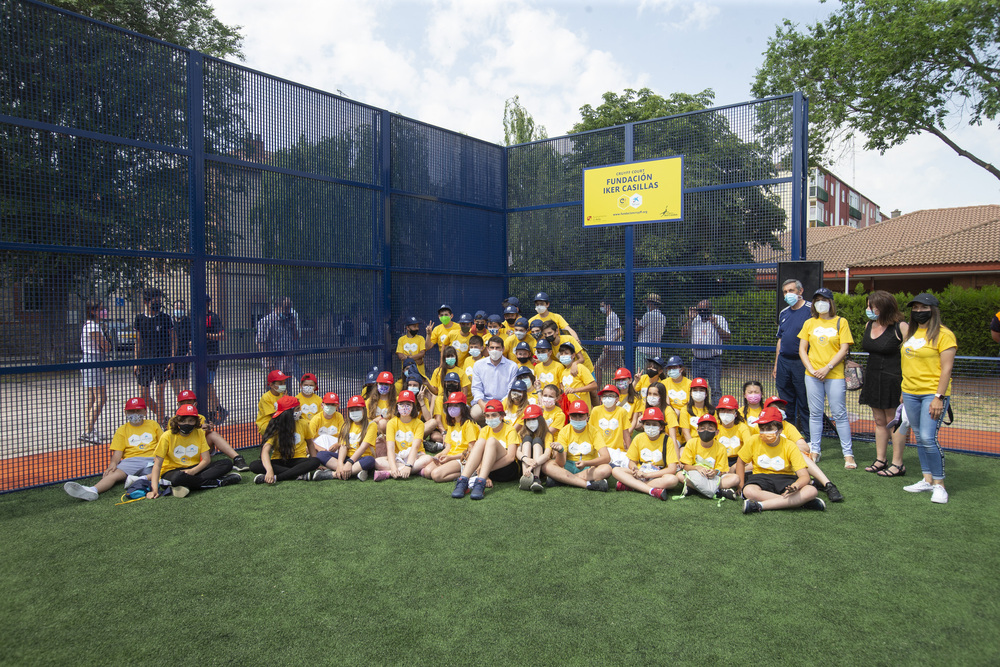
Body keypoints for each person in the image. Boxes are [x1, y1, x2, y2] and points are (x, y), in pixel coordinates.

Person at [900, 293, 957, 504]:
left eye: (922, 307)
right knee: (918, 436)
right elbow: (907, 365)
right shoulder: (911, 333)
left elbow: (947, 369)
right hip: (910, 392)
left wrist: (938, 397)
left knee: (928, 438)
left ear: (933, 309)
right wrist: (903, 392)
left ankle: (939, 485)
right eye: (914, 308)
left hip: (932, 394)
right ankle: (927, 479)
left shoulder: (944, 335)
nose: (918, 311)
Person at [797, 287, 855, 468]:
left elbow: (844, 349)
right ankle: (815, 450)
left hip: (834, 374)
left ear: (831, 302)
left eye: (824, 299)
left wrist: (827, 368)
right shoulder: (809, 323)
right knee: (814, 414)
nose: (821, 302)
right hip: (812, 375)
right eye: (817, 299)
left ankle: (848, 454)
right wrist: (812, 369)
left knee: (839, 413)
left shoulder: (841, 322)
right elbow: (802, 349)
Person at [64, 397, 163, 501]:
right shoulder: (122, 429)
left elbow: (162, 444)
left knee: (165, 470)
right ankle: (92, 490)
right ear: (126, 413)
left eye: (138, 410)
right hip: (131, 460)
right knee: (112, 474)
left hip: (152, 459)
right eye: (131, 411)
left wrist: (160, 458)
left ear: (145, 412)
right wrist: (113, 464)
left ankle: (139, 479)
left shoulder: (153, 424)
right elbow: (118, 452)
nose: (135, 413)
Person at [737, 406, 826, 514]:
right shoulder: (753, 440)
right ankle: (799, 502)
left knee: (811, 491)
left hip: (786, 479)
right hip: (760, 478)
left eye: (769, 429)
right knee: (749, 490)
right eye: (762, 429)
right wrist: (741, 486)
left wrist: (795, 486)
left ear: (780, 430)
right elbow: (740, 462)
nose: (765, 433)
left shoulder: (790, 446)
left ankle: (759, 505)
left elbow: (804, 476)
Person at [859, 290, 910, 477]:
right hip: (873, 379)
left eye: (872, 306)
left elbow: (910, 357)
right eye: (868, 305)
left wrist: (906, 385)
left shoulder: (901, 327)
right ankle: (881, 459)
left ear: (884, 307)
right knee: (879, 421)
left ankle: (898, 464)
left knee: (893, 421)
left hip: (893, 380)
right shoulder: (868, 324)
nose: (868, 309)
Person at [146, 404, 239, 498]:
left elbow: (206, 460)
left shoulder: (199, 433)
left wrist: (192, 471)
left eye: (191, 420)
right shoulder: (167, 436)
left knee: (226, 463)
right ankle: (219, 482)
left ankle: (186, 484)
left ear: (196, 421)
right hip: (172, 472)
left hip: (194, 469)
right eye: (183, 420)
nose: (187, 424)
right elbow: (157, 464)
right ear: (177, 421)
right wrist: (154, 490)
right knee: (177, 478)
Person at [451, 400, 521, 500]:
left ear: (501, 416)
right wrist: (484, 471)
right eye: (487, 416)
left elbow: (510, 458)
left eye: (493, 415)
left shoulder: (510, 430)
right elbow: (480, 454)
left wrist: (484, 470)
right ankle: (463, 480)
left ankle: (480, 482)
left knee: (491, 441)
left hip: (508, 470)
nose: (490, 418)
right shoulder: (485, 430)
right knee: (480, 442)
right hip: (489, 471)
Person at [610, 406, 679, 499]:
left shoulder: (667, 440)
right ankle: (651, 490)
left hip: (658, 474)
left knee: (673, 480)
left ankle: (632, 486)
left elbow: (672, 469)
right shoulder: (638, 438)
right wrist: (635, 470)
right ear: (643, 425)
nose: (650, 427)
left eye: (654, 424)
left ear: (661, 426)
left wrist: (648, 475)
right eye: (647, 424)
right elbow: (632, 461)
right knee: (616, 470)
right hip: (640, 472)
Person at [773, 279, 813, 439]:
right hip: (783, 362)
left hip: (802, 363)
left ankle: (810, 441)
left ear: (800, 291)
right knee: (785, 403)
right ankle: (788, 437)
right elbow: (780, 340)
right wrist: (776, 364)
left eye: (791, 290)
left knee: (804, 402)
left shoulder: (811, 310)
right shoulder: (784, 313)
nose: (788, 294)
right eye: (785, 292)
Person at [543, 400, 613, 491]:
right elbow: (561, 463)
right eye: (574, 416)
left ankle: (562, 480)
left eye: (581, 416)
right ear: (569, 417)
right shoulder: (564, 431)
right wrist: (560, 451)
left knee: (606, 469)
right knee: (546, 465)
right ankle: (587, 484)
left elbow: (606, 457)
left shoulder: (594, 431)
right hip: (568, 466)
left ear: (587, 416)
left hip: (588, 468)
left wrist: (586, 463)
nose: (577, 419)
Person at [251, 396, 322, 484]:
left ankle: (278, 477)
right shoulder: (276, 426)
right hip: (279, 460)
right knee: (254, 465)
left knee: (315, 461)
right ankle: (298, 474)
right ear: (288, 413)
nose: (300, 411)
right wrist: (269, 470)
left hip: (299, 459)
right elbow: (265, 450)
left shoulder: (303, 423)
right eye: (297, 409)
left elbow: (310, 443)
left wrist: (314, 462)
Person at [175, 390, 250, 472]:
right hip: (181, 453)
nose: (186, 405)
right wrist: (197, 428)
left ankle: (237, 458)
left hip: (197, 450)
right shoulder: (173, 420)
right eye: (183, 402)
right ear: (178, 405)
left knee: (212, 434)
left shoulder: (200, 417)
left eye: (189, 402)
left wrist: (206, 429)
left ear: (195, 404)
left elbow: (200, 438)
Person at [133, 287, 174, 427]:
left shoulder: (165, 318)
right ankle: (162, 415)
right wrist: (136, 362)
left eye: (159, 300)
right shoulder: (139, 318)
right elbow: (138, 341)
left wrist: (172, 361)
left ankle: (160, 423)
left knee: (160, 392)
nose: (158, 303)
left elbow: (173, 340)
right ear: (146, 302)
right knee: (143, 394)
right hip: (145, 360)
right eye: (154, 301)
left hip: (162, 360)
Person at [679, 414, 740, 500]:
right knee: (679, 475)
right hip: (696, 474)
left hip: (713, 478)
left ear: (717, 432)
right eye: (702, 428)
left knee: (736, 478)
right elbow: (685, 466)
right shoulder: (691, 443)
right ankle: (718, 491)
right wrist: (697, 468)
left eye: (710, 428)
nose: (706, 431)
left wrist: (715, 472)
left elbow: (722, 471)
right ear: (697, 431)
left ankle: (694, 488)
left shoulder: (721, 447)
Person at [375, 390, 432, 481]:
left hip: (416, 456)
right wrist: (393, 467)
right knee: (377, 462)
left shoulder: (419, 423)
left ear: (413, 406)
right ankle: (416, 471)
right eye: (401, 404)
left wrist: (409, 465)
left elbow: (415, 446)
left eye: (408, 404)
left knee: (428, 458)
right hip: (398, 457)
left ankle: (388, 473)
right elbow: (390, 448)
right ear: (397, 406)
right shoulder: (391, 423)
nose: (404, 407)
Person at [425, 392, 479, 483]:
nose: (452, 409)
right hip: (450, 456)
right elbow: (448, 447)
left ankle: (464, 473)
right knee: (427, 472)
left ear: (463, 407)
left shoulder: (469, 424)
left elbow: (471, 451)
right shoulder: (451, 424)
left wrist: (450, 458)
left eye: (456, 406)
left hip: (462, 458)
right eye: (450, 405)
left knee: (436, 475)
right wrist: (439, 455)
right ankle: (459, 472)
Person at [681, 299, 730, 400]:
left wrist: (716, 326)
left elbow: (728, 338)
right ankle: (699, 411)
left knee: (715, 389)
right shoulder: (694, 320)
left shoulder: (719, 319)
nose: (702, 312)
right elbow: (683, 335)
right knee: (697, 389)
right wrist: (690, 319)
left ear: (711, 309)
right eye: (700, 310)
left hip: (713, 359)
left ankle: (716, 412)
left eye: (705, 310)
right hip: (697, 359)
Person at [80, 300, 111, 444]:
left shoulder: (92, 325)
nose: (103, 311)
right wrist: (108, 346)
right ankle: (87, 431)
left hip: (92, 360)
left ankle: (90, 429)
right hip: (92, 361)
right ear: (93, 311)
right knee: (101, 397)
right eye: (100, 309)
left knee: (91, 398)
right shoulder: (92, 326)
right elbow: (104, 345)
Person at [470, 335, 518, 421]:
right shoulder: (478, 365)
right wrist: (483, 405)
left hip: (504, 403)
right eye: (492, 347)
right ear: (487, 349)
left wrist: (499, 406)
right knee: (475, 413)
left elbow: (511, 390)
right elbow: (476, 388)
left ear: (503, 349)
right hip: (484, 402)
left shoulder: (512, 366)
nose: (494, 350)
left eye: (497, 348)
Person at [256, 296, 300, 380]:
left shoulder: (288, 321)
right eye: (286, 308)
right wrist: (268, 360)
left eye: (289, 308)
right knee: (273, 390)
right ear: (278, 307)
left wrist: (293, 325)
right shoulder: (266, 321)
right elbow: (260, 342)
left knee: (287, 390)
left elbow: (295, 337)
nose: (288, 311)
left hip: (287, 363)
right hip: (273, 363)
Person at [515, 404, 551, 492]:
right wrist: (525, 459)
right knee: (527, 439)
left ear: (540, 420)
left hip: (539, 465)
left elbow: (547, 455)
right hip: (525, 463)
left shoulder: (547, 434)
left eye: (534, 419)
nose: (531, 422)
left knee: (537, 440)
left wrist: (531, 466)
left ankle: (536, 478)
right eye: (528, 419)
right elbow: (517, 451)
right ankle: (525, 476)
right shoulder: (521, 433)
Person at [204, 294, 228, 424]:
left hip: (211, 356)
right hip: (200, 357)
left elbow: (223, 336)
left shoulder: (213, 317)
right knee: (203, 385)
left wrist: (206, 335)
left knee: (208, 384)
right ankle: (211, 411)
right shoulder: (196, 318)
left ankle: (217, 410)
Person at [594, 299, 623, 386]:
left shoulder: (612, 317)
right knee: (620, 369)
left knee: (597, 367)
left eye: (603, 306)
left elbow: (620, 332)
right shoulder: (609, 317)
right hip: (614, 347)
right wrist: (601, 338)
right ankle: (622, 389)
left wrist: (609, 345)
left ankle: (598, 389)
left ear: (608, 306)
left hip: (612, 348)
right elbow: (611, 335)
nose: (601, 308)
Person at [635, 292, 666, 369]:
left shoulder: (647, 315)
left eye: (648, 303)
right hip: (656, 350)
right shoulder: (663, 317)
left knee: (641, 375)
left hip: (643, 349)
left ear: (651, 304)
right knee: (653, 375)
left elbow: (638, 330)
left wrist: (637, 324)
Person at [169, 298, 192, 398]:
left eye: (181, 308)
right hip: (172, 354)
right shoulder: (170, 322)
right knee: (173, 379)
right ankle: (179, 399)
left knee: (184, 378)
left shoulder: (188, 322)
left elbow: (192, 338)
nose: (179, 310)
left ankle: (186, 400)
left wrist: (190, 351)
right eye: (177, 308)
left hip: (184, 353)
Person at [256, 370, 289, 435]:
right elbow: (274, 416)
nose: (283, 385)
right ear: (271, 385)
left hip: (280, 422)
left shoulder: (283, 394)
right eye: (280, 383)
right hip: (267, 424)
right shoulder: (266, 397)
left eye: (284, 383)